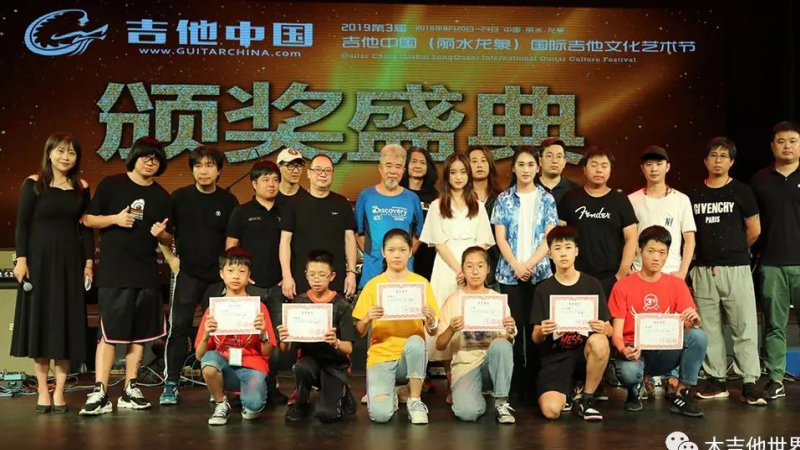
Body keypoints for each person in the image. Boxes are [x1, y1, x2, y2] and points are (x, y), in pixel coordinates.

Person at [80, 137, 171, 415]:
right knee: (109, 335)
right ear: (134, 158)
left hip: (146, 274)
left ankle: (130, 388)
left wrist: (162, 236)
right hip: (115, 273)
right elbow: (87, 219)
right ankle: (100, 391)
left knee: (140, 336)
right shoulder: (112, 184)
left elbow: (169, 237)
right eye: (145, 157)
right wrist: (115, 219)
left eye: (155, 159)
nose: (150, 162)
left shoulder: (162, 196)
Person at [11, 133, 92, 414]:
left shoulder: (82, 187)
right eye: (60, 151)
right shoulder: (33, 184)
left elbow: (85, 228)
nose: (66, 157)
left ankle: (60, 390)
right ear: (49, 154)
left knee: (65, 324)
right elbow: (22, 224)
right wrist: (21, 260)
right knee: (41, 323)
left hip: (70, 262)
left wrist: (88, 263)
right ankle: (43, 390)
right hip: (39, 261)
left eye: (71, 152)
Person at [688, 137, 766, 405]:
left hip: (736, 268)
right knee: (709, 328)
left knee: (744, 326)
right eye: (713, 155)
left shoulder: (742, 191)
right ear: (705, 161)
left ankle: (749, 382)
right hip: (703, 269)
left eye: (723, 156)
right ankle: (716, 380)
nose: (718, 160)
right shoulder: (694, 193)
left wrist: (734, 250)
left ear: (731, 162)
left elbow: (754, 229)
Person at [158, 146, 239, 405]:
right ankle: (171, 383)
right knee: (179, 327)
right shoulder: (178, 197)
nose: (204, 171)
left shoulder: (228, 201)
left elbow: (232, 240)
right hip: (187, 275)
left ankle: (221, 385)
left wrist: (229, 272)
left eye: (209, 165)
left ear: (219, 170)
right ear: (192, 170)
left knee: (221, 330)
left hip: (217, 277)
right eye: (198, 165)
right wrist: (171, 259)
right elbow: (164, 234)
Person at [609, 226, 707, 417]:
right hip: (635, 351)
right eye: (651, 251)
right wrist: (623, 350)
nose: (656, 258)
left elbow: (688, 325)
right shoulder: (623, 286)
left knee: (698, 336)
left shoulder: (677, 284)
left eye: (662, 253)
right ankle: (633, 391)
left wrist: (694, 321)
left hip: (665, 352)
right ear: (640, 251)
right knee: (629, 372)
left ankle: (681, 395)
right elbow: (617, 334)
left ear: (668, 254)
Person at [420, 152, 494, 397]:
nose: (459, 177)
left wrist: (470, 269)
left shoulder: (478, 205)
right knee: (447, 321)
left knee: (471, 320)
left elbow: (483, 241)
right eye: (453, 172)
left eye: (463, 172)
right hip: (446, 267)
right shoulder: (437, 206)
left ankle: (471, 379)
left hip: (473, 268)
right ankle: (452, 385)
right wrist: (458, 269)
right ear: (447, 176)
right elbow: (438, 242)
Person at [352, 229, 440, 424]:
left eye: (402, 250)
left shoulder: (421, 284)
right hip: (381, 356)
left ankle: (415, 400)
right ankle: (394, 391)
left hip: (410, 357)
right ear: (383, 252)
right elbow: (359, 332)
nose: (397, 255)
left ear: (410, 252)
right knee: (380, 416)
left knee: (416, 342)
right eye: (391, 250)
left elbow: (432, 330)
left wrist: (431, 320)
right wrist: (366, 318)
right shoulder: (373, 285)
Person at [491, 145, 558, 402]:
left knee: (536, 330)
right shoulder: (504, 198)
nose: (526, 169)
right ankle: (515, 384)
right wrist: (516, 265)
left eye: (531, 164)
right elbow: (500, 237)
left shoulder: (547, 199)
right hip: (510, 275)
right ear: (513, 168)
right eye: (521, 164)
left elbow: (549, 237)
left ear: (538, 168)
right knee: (514, 330)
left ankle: (536, 384)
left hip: (539, 274)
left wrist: (529, 264)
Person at [531, 226, 612, 422]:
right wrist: (543, 331)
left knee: (600, 341)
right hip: (556, 357)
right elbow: (535, 337)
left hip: (585, 353)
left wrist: (604, 328)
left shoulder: (592, 284)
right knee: (551, 411)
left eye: (568, 247)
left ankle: (587, 399)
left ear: (576, 251)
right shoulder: (543, 289)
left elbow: (609, 328)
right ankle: (568, 392)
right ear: (550, 254)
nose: (563, 253)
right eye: (557, 248)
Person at [226, 161, 288, 404]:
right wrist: (238, 279)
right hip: (249, 287)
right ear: (253, 184)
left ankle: (271, 386)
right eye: (265, 179)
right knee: (242, 339)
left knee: (273, 340)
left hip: (278, 287)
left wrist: (287, 275)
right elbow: (231, 247)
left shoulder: (286, 211)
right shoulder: (241, 212)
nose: (271, 184)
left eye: (275, 179)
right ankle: (238, 387)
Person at [195, 248, 277, 426]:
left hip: (252, 365)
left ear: (249, 276)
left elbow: (268, 353)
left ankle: (247, 395)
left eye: (241, 271)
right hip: (224, 364)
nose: (235, 276)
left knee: (253, 407)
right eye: (230, 270)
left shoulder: (259, 308)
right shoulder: (213, 309)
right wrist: (206, 335)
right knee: (209, 361)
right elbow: (199, 356)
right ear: (221, 274)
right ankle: (221, 403)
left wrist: (263, 334)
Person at [435, 246, 517, 424]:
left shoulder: (497, 300)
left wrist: (510, 331)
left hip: (490, 364)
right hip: (465, 366)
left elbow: (505, 344)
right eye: (469, 266)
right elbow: (439, 345)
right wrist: (451, 329)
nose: (475, 271)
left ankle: (501, 403)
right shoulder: (453, 300)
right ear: (462, 269)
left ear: (488, 269)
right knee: (467, 413)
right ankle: (475, 395)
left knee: (501, 345)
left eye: (480, 266)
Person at [750, 120, 800, 400]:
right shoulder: (759, 180)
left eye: (793, 141)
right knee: (774, 325)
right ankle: (776, 378)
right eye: (781, 141)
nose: (787, 146)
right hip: (771, 263)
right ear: (772, 146)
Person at [280, 250, 358, 422]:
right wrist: (284, 338)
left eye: (322, 275)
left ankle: (343, 390)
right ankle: (302, 402)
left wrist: (335, 342)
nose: (316, 279)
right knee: (301, 367)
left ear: (332, 276)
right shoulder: (299, 303)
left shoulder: (342, 305)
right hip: (310, 361)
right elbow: (285, 348)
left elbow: (348, 348)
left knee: (326, 415)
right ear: (306, 275)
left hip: (335, 364)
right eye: (312, 274)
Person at [558, 146, 638, 300]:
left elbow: (631, 238)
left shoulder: (620, 200)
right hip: (576, 276)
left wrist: (621, 274)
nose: (599, 170)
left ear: (610, 170)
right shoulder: (570, 199)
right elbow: (559, 236)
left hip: (611, 277)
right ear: (584, 169)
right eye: (594, 165)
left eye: (604, 165)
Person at [280, 154, 358, 300]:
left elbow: (350, 239)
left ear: (332, 174)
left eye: (327, 170)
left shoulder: (342, 203)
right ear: (309, 173)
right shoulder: (293, 204)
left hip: (335, 280)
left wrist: (351, 273)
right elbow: (285, 242)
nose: (323, 174)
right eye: (318, 170)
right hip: (302, 281)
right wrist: (287, 276)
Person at [355, 144, 424, 289]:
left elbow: (419, 235)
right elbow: (358, 233)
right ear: (380, 168)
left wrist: (404, 254)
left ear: (403, 171)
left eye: (398, 166)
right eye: (388, 165)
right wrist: (373, 254)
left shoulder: (412, 199)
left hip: (405, 278)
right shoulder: (366, 196)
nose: (393, 171)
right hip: (372, 274)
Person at [628, 146, 696, 280]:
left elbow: (689, 240)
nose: (654, 169)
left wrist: (682, 272)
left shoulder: (681, 200)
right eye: (649, 164)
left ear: (668, 167)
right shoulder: (631, 200)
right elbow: (626, 238)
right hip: (639, 272)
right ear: (642, 168)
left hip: (671, 272)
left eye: (659, 164)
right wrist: (627, 268)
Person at [400, 146, 439, 280]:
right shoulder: (397, 193)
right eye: (414, 161)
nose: (418, 166)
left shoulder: (436, 197)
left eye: (422, 162)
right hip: (401, 256)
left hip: (429, 258)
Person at [468, 145, 504, 287]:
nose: (479, 165)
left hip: (497, 265)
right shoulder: (460, 199)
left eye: (483, 161)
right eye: (474, 161)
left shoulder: (502, 198)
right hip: (468, 265)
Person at [535, 137, 579, 205]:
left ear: (564, 162)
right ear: (540, 161)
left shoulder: (575, 190)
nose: (554, 161)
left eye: (559, 156)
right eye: (549, 156)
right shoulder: (529, 186)